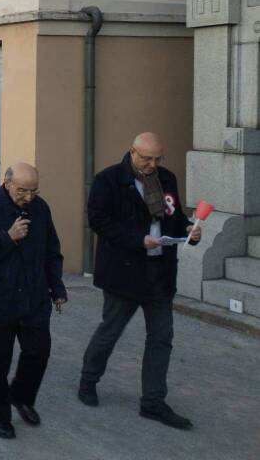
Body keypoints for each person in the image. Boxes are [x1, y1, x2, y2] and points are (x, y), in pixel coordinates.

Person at [78, 132, 202, 429]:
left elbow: (173, 215)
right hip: (124, 271)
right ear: (132, 152)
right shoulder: (108, 180)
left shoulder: (167, 178)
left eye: (158, 159)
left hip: (159, 273)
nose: (152, 164)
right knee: (111, 330)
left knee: (161, 338)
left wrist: (189, 230)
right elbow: (98, 221)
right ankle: (88, 380)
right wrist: (137, 239)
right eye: (146, 158)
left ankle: (153, 402)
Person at [0, 163, 67, 440]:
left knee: (39, 352)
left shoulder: (41, 208)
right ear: (7, 183)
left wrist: (57, 288)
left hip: (34, 297)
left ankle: (21, 396)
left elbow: (51, 250)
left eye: (34, 191)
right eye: (22, 191)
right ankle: (0, 416)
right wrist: (7, 238)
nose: (29, 197)